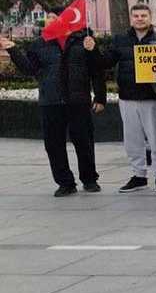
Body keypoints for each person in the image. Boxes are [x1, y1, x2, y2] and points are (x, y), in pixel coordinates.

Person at [1, 14, 105, 196]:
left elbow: (97, 70)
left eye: (55, 17)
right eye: (48, 18)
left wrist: (100, 97)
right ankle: (65, 182)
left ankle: (89, 180)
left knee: (84, 141)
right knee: (53, 144)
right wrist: (13, 50)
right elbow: (29, 69)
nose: (50, 21)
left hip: (78, 100)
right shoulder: (39, 44)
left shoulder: (84, 40)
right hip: (51, 100)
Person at [100, 3, 156, 193]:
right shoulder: (120, 40)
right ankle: (139, 175)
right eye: (136, 16)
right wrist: (91, 50)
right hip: (127, 97)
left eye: (143, 15)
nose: (140, 19)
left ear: (150, 17)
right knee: (132, 140)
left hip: (152, 98)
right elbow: (105, 62)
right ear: (131, 18)